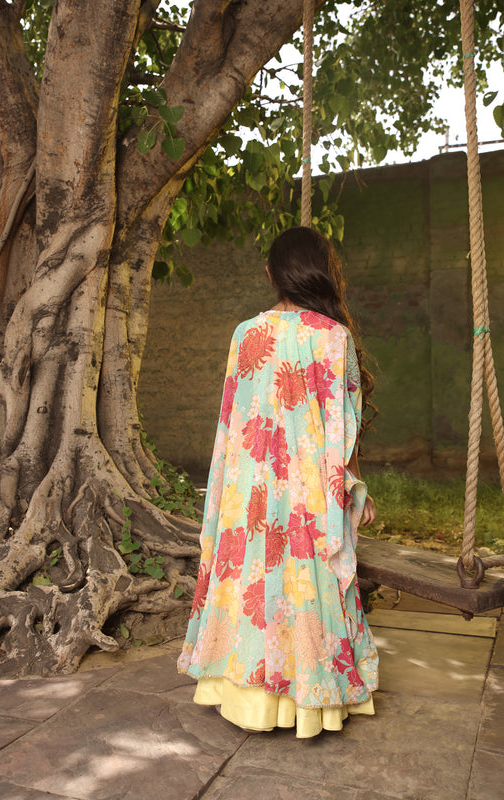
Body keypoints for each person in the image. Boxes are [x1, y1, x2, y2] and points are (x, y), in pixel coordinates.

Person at [177, 226, 379, 738]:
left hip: (249, 488)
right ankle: (312, 703)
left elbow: (230, 418)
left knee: (250, 581)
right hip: (309, 490)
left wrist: (227, 490)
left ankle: (244, 697)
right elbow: (345, 423)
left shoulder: (245, 334)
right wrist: (354, 485)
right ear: (321, 273)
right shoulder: (334, 339)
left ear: (271, 275)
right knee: (305, 585)